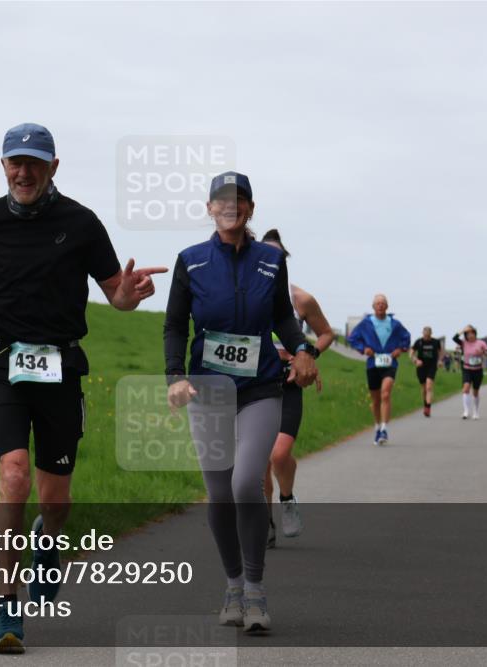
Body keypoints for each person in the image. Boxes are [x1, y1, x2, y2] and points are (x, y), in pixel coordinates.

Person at [0, 123, 166, 654]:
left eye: (34, 163)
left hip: (61, 368)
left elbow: (115, 295)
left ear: (54, 167)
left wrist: (132, 293)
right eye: (14, 162)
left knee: (56, 502)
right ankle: (7, 611)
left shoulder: (80, 222)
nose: (23, 172)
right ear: (3, 165)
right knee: (13, 473)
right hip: (3, 362)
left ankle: (46, 545)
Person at [164, 171, 315, 633]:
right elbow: (174, 326)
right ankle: (231, 586)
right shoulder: (190, 261)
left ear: (250, 209)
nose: (231, 207)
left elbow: (283, 321)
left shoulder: (270, 261)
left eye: (240, 200)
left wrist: (304, 349)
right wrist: (174, 377)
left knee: (246, 482)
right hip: (208, 390)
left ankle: (254, 588)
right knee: (218, 493)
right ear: (209, 208)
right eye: (221, 200)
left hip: (259, 388)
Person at [260, 229, 333, 546]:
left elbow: (326, 334)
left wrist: (307, 357)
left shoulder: (300, 299)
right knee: (259, 459)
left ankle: (287, 499)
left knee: (280, 453)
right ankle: (265, 524)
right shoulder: (244, 296)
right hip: (256, 381)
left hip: (289, 382)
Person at [347, 295, 411, 445]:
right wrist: (364, 349)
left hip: (390, 363)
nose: (380, 306)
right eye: (378, 303)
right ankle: (377, 426)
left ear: (387, 306)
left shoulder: (395, 324)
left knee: (386, 394)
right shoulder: (366, 323)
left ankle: (384, 428)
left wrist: (400, 349)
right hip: (373, 363)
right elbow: (352, 338)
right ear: (373, 306)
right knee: (375, 400)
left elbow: (406, 337)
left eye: (383, 303)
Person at [452, 326, 487, 419]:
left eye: (471, 334)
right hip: (467, 369)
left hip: (477, 370)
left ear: (475, 334)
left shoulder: (481, 343)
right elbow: (454, 338)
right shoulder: (464, 343)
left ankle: (476, 411)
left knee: (475, 391)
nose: (469, 336)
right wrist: (463, 330)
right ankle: (466, 411)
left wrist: (482, 352)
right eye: (467, 334)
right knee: (466, 388)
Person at [410, 327, 442, 417]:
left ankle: (428, 408)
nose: (426, 337)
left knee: (429, 387)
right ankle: (425, 404)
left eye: (428, 335)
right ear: (422, 334)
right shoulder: (419, 342)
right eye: (425, 335)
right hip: (421, 367)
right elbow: (411, 352)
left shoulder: (436, 342)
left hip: (432, 366)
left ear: (431, 334)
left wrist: (440, 360)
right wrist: (415, 360)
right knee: (423, 389)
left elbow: (440, 352)